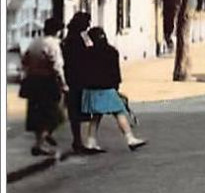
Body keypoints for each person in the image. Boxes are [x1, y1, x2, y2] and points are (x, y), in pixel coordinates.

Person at [78, 27, 145, 152]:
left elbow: (83, 71)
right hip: (107, 88)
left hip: (91, 89)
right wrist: (116, 86)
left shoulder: (87, 53)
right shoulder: (112, 51)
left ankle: (91, 142)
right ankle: (130, 138)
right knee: (119, 112)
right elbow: (115, 72)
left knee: (96, 116)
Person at [20, 17, 66, 157]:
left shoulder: (35, 42)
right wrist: (63, 84)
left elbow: (25, 60)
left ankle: (38, 143)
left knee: (36, 113)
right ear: (57, 31)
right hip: (48, 81)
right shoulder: (53, 44)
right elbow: (57, 67)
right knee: (54, 113)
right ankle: (45, 135)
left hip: (33, 81)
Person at [60, 11, 95, 155]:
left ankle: (78, 140)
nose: (88, 25)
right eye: (87, 22)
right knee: (77, 111)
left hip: (74, 79)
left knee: (76, 112)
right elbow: (80, 60)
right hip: (76, 80)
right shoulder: (75, 40)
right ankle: (78, 141)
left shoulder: (72, 38)